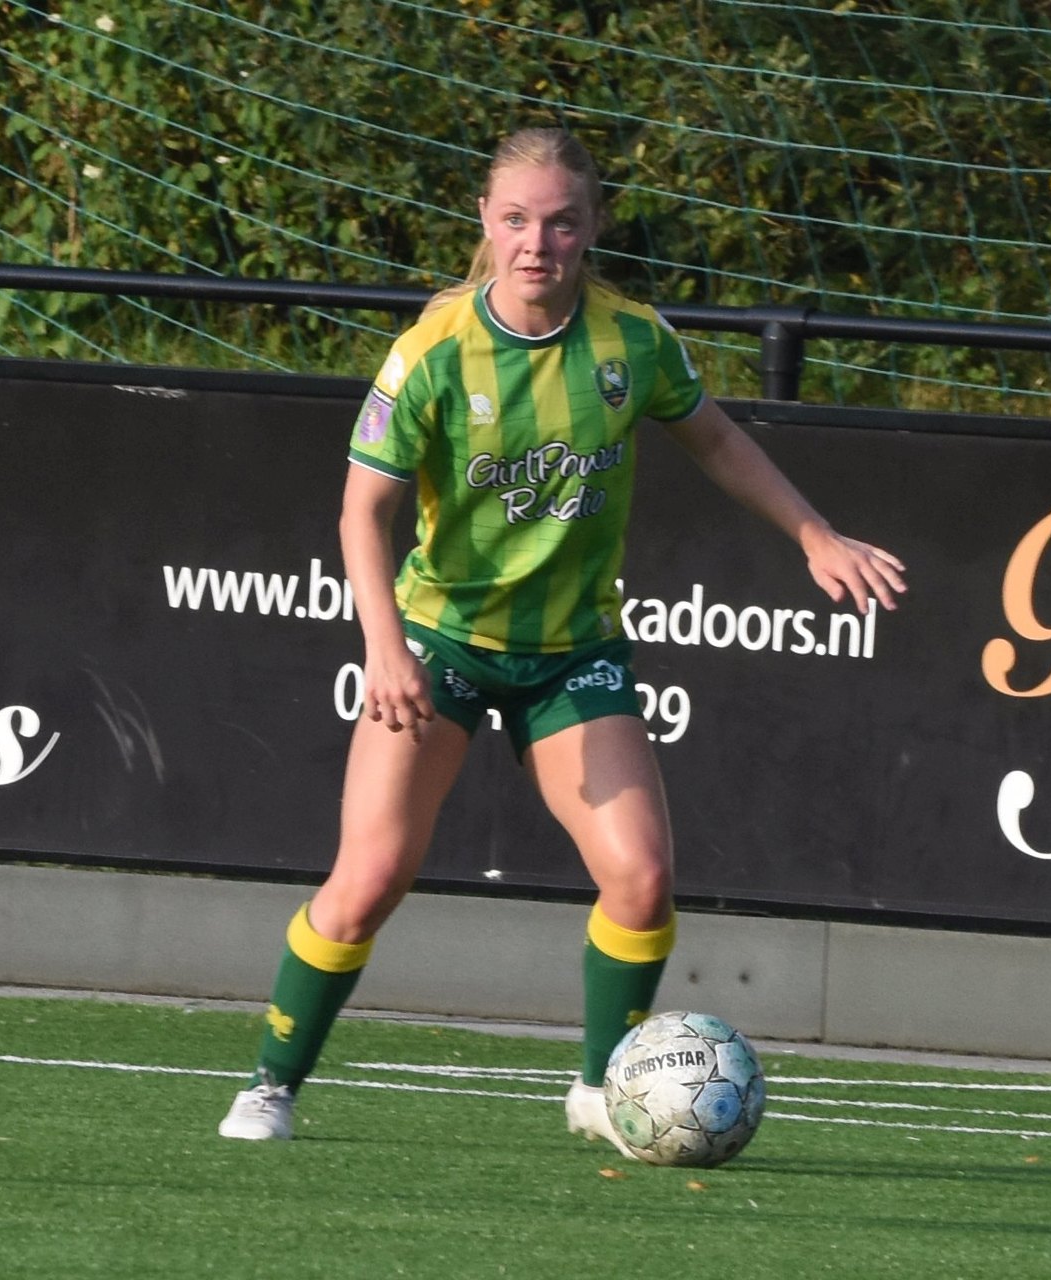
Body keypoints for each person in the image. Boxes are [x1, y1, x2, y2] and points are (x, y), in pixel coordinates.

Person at [216, 128, 906, 1152]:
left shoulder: (632, 341)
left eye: (560, 221)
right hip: (441, 643)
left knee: (641, 877)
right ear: (487, 224)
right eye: (516, 219)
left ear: (592, 227)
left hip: (574, 650)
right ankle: (273, 1080)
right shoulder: (434, 351)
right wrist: (385, 645)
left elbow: (713, 434)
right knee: (367, 880)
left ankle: (602, 1087)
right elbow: (363, 513)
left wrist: (813, 532)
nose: (537, 242)